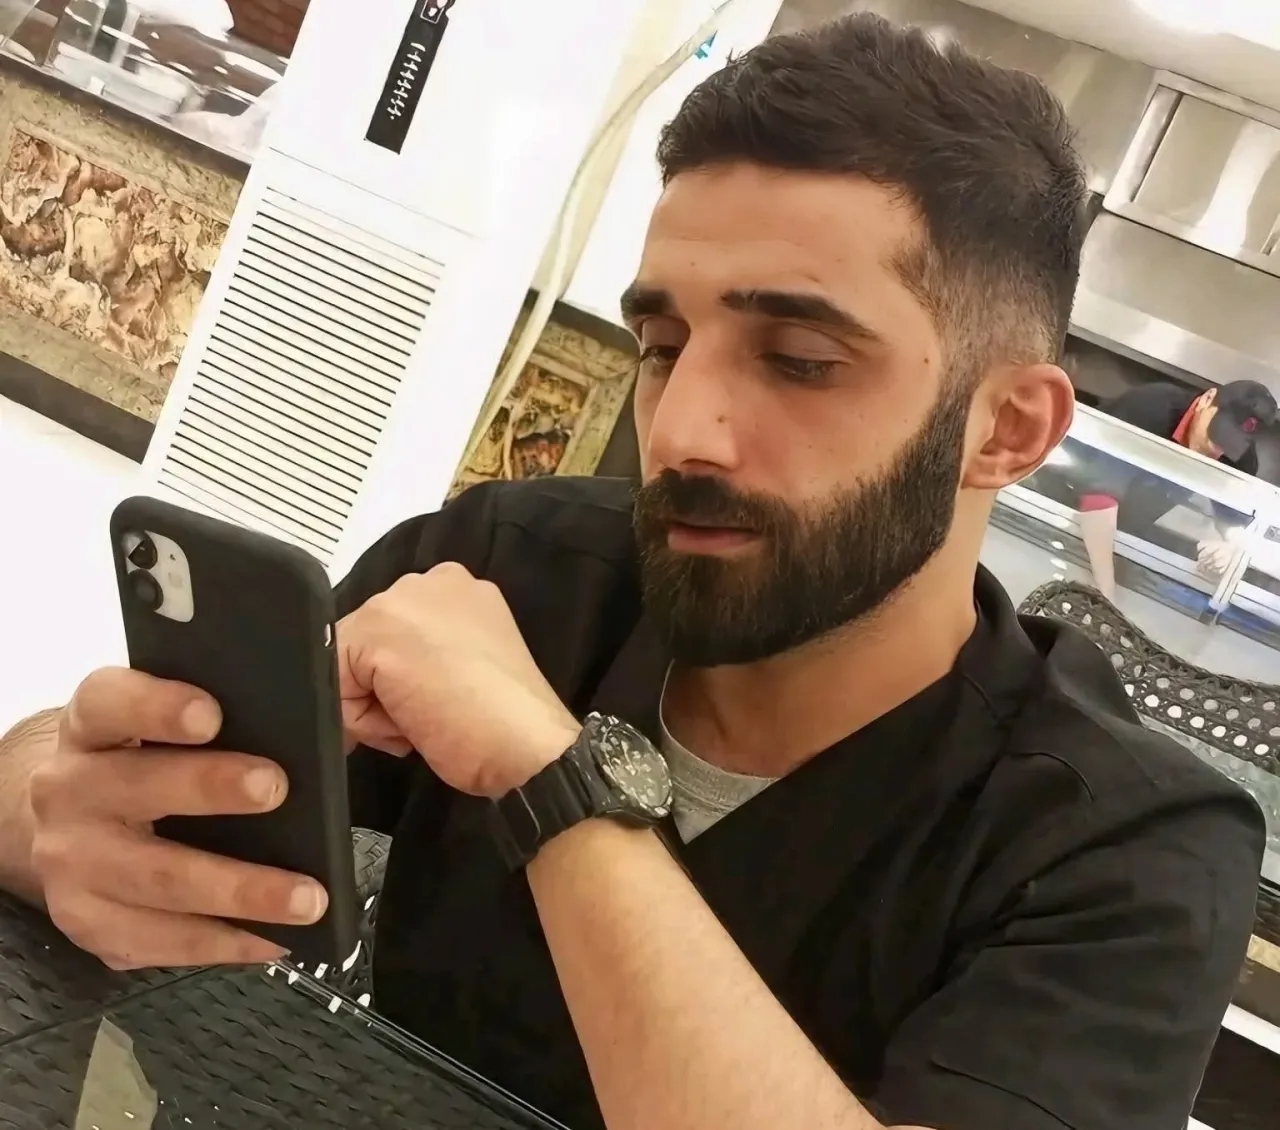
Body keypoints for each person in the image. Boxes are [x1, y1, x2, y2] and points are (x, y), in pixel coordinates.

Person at [0, 15, 1264, 1130]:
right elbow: (67, 784)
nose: (681, 431)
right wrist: (64, 806)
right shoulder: (506, 567)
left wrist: (548, 778)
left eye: (800, 360)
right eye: (663, 342)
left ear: (1006, 430)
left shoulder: (1123, 849)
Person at [1078, 379, 1277, 599]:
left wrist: (1229, 550)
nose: (1215, 451)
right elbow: (1098, 498)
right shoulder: (1150, 406)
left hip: (1123, 534)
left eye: (1228, 446)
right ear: (1207, 399)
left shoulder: (1240, 460)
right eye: (1216, 434)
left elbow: (1235, 525)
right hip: (1065, 506)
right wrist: (1106, 595)